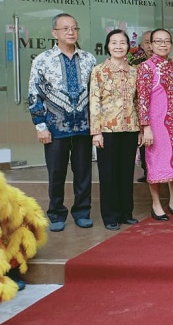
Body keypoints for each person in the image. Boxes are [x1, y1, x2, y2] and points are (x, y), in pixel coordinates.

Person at [28, 13, 97, 232]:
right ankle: (56, 213)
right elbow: (33, 94)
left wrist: (96, 126)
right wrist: (40, 126)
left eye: (74, 28)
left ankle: (82, 212)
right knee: (56, 173)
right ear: (54, 33)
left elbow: (95, 94)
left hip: (84, 127)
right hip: (54, 128)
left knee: (84, 172)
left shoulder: (89, 59)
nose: (70, 32)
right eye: (65, 28)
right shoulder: (43, 60)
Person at [90, 29, 142, 231]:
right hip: (107, 130)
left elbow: (138, 101)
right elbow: (94, 102)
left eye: (122, 42)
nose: (118, 46)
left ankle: (126, 213)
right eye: (114, 42)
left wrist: (139, 129)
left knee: (126, 171)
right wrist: (96, 132)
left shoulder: (134, 71)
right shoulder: (99, 70)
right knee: (108, 173)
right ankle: (110, 215)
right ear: (107, 46)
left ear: (128, 46)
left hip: (130, 128)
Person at [137, 29, 173, 221]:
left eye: (167, 41)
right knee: (156, 163)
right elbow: (142, 99)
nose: (163, 44)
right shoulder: (146, 67)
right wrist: (146, 126)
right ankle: (156, 204)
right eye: (158, 41)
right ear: (151, 44)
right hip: (157, 124)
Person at [133, 30, 152, 183]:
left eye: (153, 41)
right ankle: (147, 171)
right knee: (144, 143)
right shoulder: (134, 65)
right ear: (141, 46)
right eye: (147, 42)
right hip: (141, 110)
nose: (151, 45)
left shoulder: (170, 65)